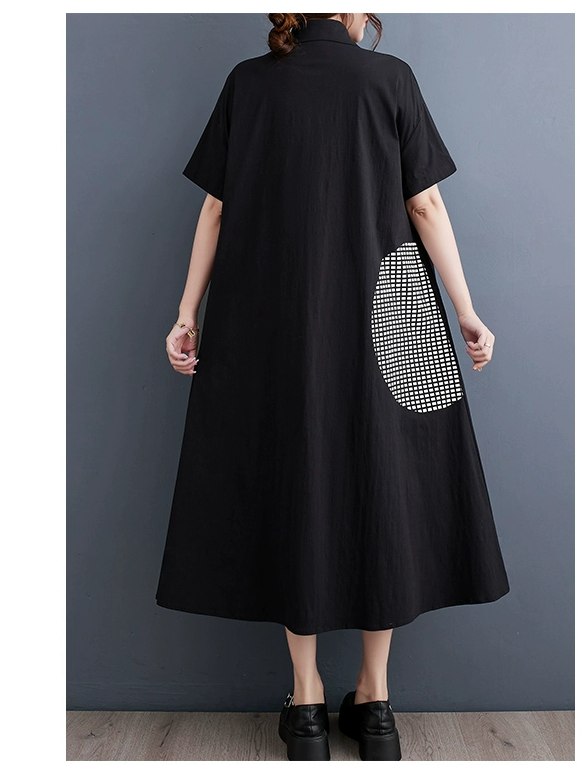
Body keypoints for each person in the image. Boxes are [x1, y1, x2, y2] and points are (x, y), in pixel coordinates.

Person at [156, 13, 510, 761]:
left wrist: (187, 313)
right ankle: (375, 703)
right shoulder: (390, 79)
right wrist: (467, 310)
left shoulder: (249, 84)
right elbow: (425, 204)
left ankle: (308, 701)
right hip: (398, 307)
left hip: (278, 317)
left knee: (300, 482)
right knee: (389, 482)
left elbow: (216, 207)